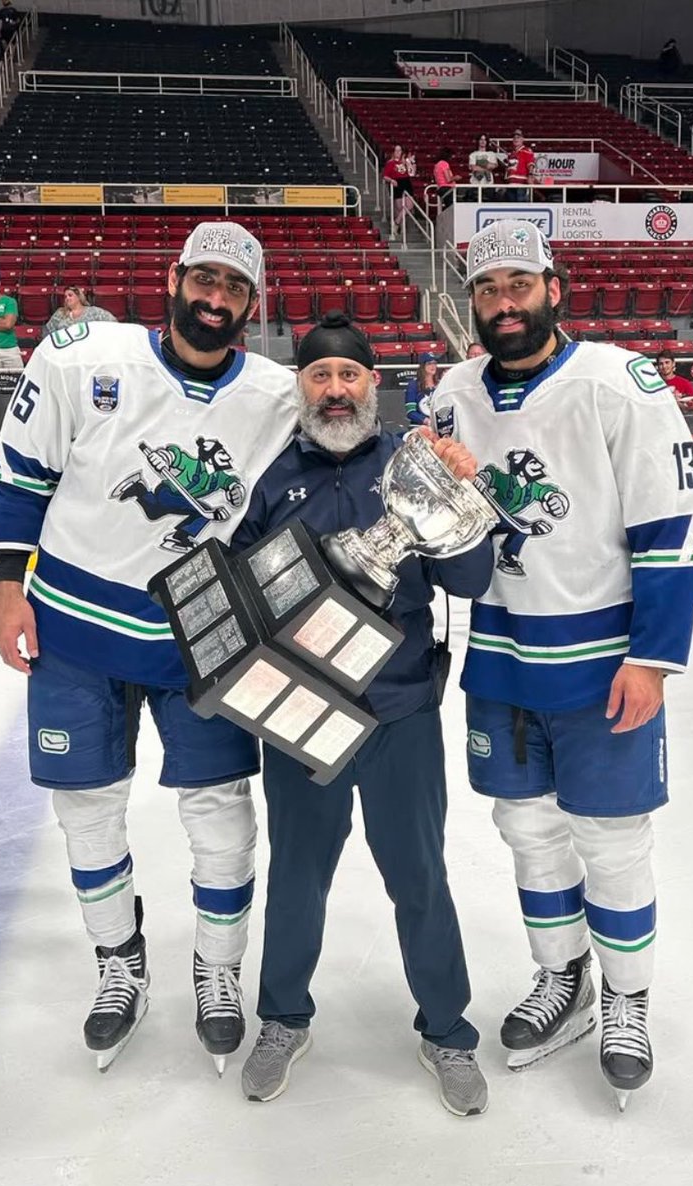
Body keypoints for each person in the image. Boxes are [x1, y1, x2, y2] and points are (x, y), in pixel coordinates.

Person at [0, 221, 302, 1072]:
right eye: (203, 281)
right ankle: (118, 963)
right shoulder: (82, 357)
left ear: (251, 304)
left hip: (199, 633)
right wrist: (8, 588)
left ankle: (217, 970)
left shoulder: (276, 394)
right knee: (87, 809)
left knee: (221, 814)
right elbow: (22, 475)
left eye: (234, 290)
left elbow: (321, 474)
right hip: (74, 625)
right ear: (172, 278)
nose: (214, 300)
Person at [425, 220, 693, 1110]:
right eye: (486, 290)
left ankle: (627, 999)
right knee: (527, 831)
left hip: (602, 663)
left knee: (611, 839)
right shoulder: (451, 392)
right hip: (502, 660)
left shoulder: (616, 382)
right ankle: (564, 979)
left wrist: (653, 660)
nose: (502, 304)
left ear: (554, 286)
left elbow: (675, 532)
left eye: (518, 284)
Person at [232, 312, 493, 1117]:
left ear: (371, 385)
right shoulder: (271, 474)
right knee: (299, 876)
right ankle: (281, 1019)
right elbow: (238, 587)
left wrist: (464, 490)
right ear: (300, 387)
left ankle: (447, 1031)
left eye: (348, 376)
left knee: (417, 877)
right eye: (319, 376)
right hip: (300, 710)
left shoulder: (415, 464)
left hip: (400, 707)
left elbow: (474, 577)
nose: (335, 389)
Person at [44, 286, 116, 336]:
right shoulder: (60, 313)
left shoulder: (93, 311)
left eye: (70, 295)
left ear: (79, 297)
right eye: (65, 297)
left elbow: (113, 322)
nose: (67, 298)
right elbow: (47, 331)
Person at [382, 145, 417, 237]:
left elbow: (412, 173)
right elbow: (385, 176)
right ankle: (399, 230)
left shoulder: (406, 162)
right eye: (396, 150)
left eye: (399, 150)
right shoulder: (390, 163)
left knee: (409, 205)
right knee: (398, 207)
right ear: (393, 152)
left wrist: (412, 163)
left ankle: (396, 223)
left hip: (406, 182)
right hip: (396, 182)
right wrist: (391, 180)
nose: (398, 152)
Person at [655, 351, 693, 415]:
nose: (664, 366)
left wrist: (678, 402)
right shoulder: (653, 383)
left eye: (667, 362)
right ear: (658, 366)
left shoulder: (685, 383)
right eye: (661, 364)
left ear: (673, 364)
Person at [404, 352, 440, 426]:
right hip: (419, 426)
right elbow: (411, 412)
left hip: (438, 426)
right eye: (429, 363)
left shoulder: (440, 384)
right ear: (422, 366)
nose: (433, 366)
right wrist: (426, 421)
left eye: (434, 363)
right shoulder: (413, 385)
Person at [505, 131, 536, 202]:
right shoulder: (512, 153)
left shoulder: (526, 150)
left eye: (518, 138)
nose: (516, 139)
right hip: (510, 183)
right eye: (514, 138)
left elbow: (530, 163)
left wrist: (530, 175)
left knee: (520, 206)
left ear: (522, 139)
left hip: (521, 183)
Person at [467, 134, 500, 198]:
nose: (483, 141)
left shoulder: (491, 154)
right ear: (478, 141)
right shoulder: (473, 154)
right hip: (475, 183)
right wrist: (486, 166)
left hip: (488, 184)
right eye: (481, 139)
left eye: (485, 140)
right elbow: (474, 168)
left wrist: (479, 163)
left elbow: (493, 166)